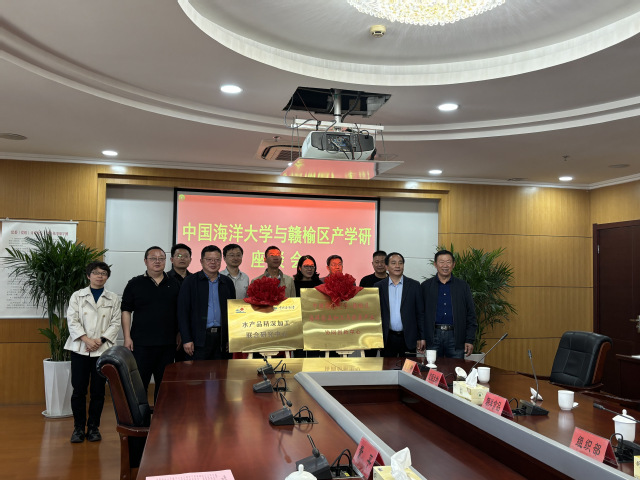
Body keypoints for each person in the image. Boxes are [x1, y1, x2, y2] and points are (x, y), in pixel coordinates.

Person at [65, 261, 121, 443]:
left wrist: (100, 340)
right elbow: (72, 320)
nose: (100, 276)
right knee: (79, 390)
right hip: (80, 349)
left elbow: (115, 323)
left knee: (98, 392)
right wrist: (87, 340)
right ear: (88, 276)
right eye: (96, 273)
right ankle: (78, 428)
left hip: (102, 350)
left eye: (103, 273)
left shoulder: (113, 298)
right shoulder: (77, 296)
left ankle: (94, 428)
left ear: (107, 277)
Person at [121, 246, 180, 402]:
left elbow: (181, 312)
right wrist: (127, 337)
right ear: (145, 261)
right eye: (153, 258)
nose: (157, 261)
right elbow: (126, 311)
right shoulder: (135, 283)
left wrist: (180, 333)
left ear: (166, 261)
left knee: (164, 386)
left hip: (167, 344)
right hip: (141, 344)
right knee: (139, 384)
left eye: (161, 258)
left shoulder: (174, 283)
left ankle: (161, 416)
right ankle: (141, 416)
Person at [178, 245, 236, 360]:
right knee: (198, 371)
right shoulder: (190, 281)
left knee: (221, 370)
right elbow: (182, 312)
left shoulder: (227, 282)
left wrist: (231, 339)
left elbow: (233, 313)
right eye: (209, 259)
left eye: (217, 259)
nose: (213, 262)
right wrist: (187, 339)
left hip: (221, 339)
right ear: (201, 261)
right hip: (198, 340)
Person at [421, 249, 477, 359]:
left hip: (456, 337)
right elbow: (420, 314)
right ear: (435, 264)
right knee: (432, 368)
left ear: (453, 264)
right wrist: (421, 337)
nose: (445, 265)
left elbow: (471, 314)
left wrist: (469, 339)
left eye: (448, 262)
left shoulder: (463, 286)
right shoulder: (425, 286)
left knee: (456, 368)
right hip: (433, 336)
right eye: (441, 262)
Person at [375, 252, 426, 358]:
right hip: (387, 338)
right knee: (387, 368)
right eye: (393, 263)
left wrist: (422, 337)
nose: (397, 266)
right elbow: (376, 315)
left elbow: (420, 313)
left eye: (400, 263)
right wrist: (376, 338)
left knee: (409, 367)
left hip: (408, 337)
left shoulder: (414, 285)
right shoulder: (379, 286)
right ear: (386, 267)